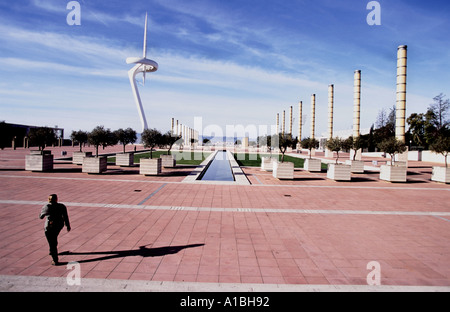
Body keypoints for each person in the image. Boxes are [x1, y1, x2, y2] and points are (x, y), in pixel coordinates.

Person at [39, 194, 71, 265]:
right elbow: (65, 216)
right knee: (54, 238)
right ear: (56, 199)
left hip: (49, 227)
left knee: (51, 242)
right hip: (59, 225)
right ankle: (52, 251)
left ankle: (55, 260)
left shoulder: (47, 207)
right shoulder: (61, 206)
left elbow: (41, 217)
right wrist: (68, 225)